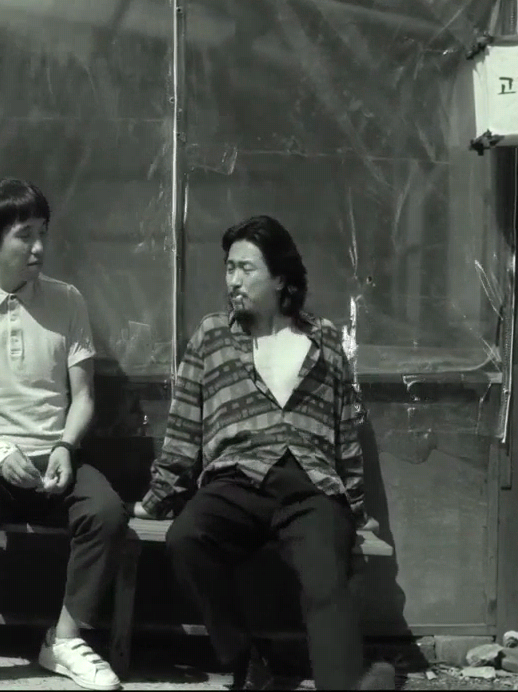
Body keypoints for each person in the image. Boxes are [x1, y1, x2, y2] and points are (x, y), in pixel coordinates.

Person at [132, 215, 395, 691]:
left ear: (279, 277)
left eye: (246, 268)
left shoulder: (324, 339)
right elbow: (184, 426)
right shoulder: (212, 335)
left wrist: (354, 508)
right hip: (235, 480)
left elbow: (345, 430)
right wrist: (158, 497)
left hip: (310, 486)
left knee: (324, 577)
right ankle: (244, 658)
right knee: (186, 539)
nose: (233, 280)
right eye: (229, 267)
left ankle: (343, 684)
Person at [0, 179, 127, 691]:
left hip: (56, 456)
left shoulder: (68, 301)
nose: (39, 247)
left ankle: (64, 641)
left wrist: (65, 446)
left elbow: (83, 396)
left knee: (106, 513)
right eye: (25, 235)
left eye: (43, 233)